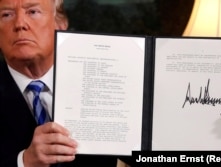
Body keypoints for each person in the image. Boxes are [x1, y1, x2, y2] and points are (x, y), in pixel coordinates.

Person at [0, 0, 130, 166]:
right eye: (6, 15)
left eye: (32, 12)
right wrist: (24, 162)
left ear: (60, 23)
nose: (19, 24)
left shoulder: (104, 83)